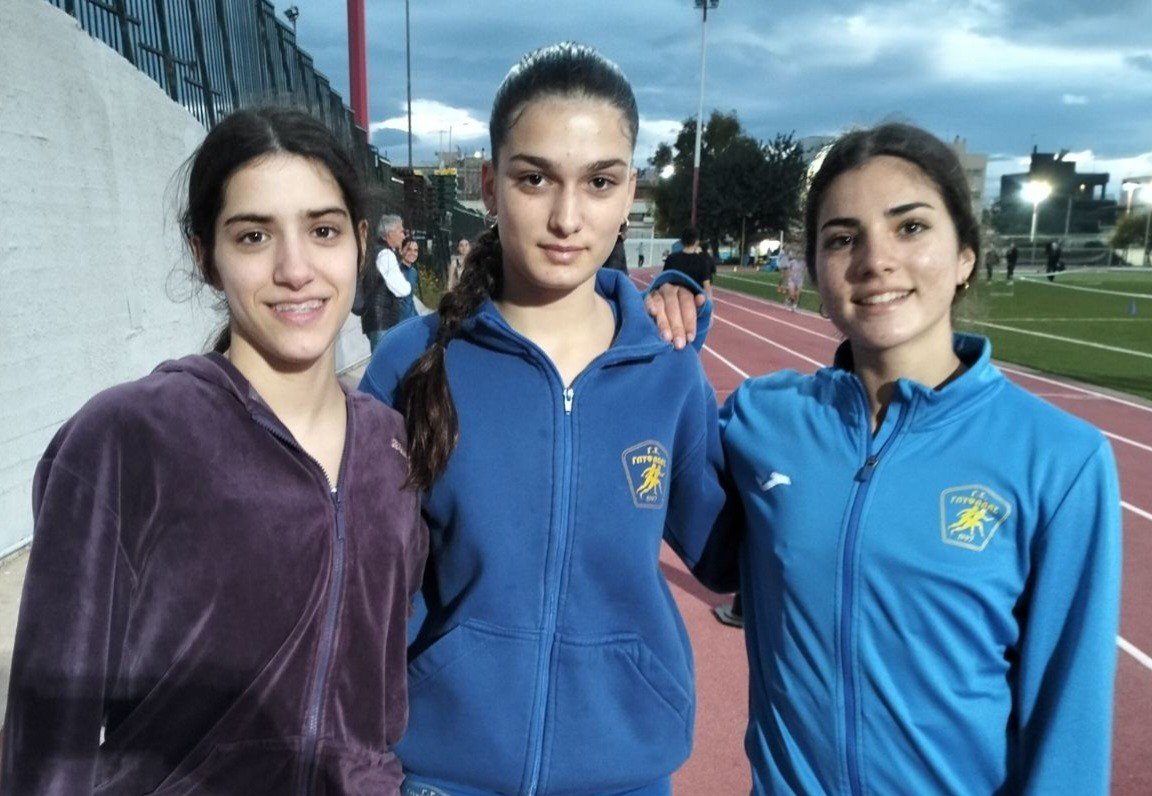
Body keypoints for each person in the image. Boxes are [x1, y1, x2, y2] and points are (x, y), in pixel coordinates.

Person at [1, 108, 427, 794]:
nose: (295, 269)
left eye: (322, 230)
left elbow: (381, 698)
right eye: (254, 236)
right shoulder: (128, 438)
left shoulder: (392, 448)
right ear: (204, 256)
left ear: (358, 241)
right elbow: (51, 734)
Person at [360, 43, 734, 796]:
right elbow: (355, 575)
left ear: (629, 194)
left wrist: (805, 424)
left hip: (623, 774)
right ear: (491, 187)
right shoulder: (411, 361)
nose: (567, 217)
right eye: (535, 179)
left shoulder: (667, 371)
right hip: (441, 774)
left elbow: (727, 555)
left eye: (599, 182)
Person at [716, 123, 1121, 794]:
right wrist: (661, 299)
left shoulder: (1059, 460)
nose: (875, 260)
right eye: (842, 238)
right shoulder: (762, 418)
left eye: (910, 228)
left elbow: (1068, 728)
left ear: (964, 255)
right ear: (815, 270)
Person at [362, 214, 413, 352]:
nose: (403, 236)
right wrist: (409, 285)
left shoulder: (376, 250)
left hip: (376, 319)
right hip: (382, 320)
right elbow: (401, 289)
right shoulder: (386, 254)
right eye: (401, 232)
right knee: (383, 360)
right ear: (390, 234)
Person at [662, 227, 715, 297]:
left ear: (682, 241)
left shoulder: (671, 258)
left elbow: (663, 280)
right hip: (695, 300)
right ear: (697, 242)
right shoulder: (702, 261)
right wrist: (709, 302)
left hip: (675, 299)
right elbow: (707, 287)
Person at [396, 235, 422, 322]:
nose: (413, 253)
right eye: (408, 249)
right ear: (401, 250)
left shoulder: (414, 272)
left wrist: (417, 318)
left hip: (411, 319)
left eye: (415, 250)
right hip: (397, 322)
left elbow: (410, 299)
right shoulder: (395, 271)